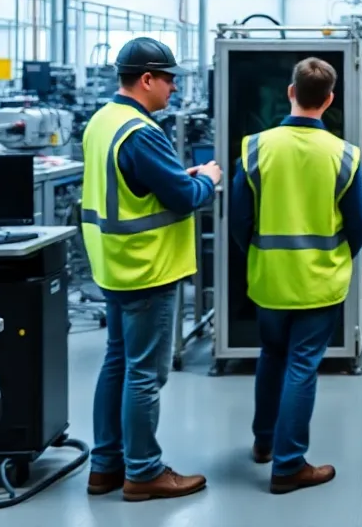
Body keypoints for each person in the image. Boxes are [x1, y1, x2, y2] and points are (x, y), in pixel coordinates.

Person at [80, 37, 220, 502]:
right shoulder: (139, 132)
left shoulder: (103, 121)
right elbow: (182, 197)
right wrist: (208, 181)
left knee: (117, 363)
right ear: (146, 79)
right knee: (145, 374)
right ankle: (142, 472)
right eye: (168, 79)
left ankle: (105, 466)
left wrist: (183, 179)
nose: (174, 88)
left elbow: (142, 186)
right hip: (148, 268)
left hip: (114, 266)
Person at [229, 56, 362, 495]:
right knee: (302, 367)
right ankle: (289, 465)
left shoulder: (255, 147)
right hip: (318, 282)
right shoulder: (343, 155)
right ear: (328, 100)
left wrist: (254, 253)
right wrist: (340, 259)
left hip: (269, 278)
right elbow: (359, 223)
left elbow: (238, 219)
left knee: (271, 357)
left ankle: (264, 442)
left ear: (291, 92)